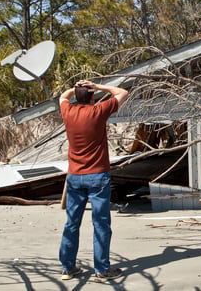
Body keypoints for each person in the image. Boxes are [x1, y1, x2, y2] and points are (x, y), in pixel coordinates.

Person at [58, 79, 128, 281]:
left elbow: (63, 97)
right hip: (98, 175)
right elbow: (122, 92)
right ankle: (102, 269)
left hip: (75, 176)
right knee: (101, 223)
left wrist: (76, 88)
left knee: (72, 223)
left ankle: (67, 267)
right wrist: (98, 87)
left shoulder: (68, 112)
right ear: (91, 97)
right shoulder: (98, 111)